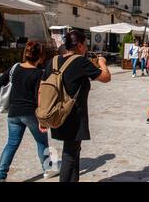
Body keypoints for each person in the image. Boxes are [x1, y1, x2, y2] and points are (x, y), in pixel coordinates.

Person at [41, 30, 111, 182]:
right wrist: (102, 63)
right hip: (73, 116)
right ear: (79, 45)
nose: (86, 48)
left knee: (73, 151)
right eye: (85, 45)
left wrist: (41, 117)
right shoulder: (80, 61)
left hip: (57, 112)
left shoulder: (53, 61)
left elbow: (42, 88)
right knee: (70, 154)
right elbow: (106, 77)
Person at [0, 42, 56, 182]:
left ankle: (0, 176)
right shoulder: (39, 74)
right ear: (40, 57)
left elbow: (0, 83)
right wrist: (43, 118)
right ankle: (47, 170)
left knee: (11, 144)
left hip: (14, 112)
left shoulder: (15, 67)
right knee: (41, 142)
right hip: (30, 113)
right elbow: (39, 96)